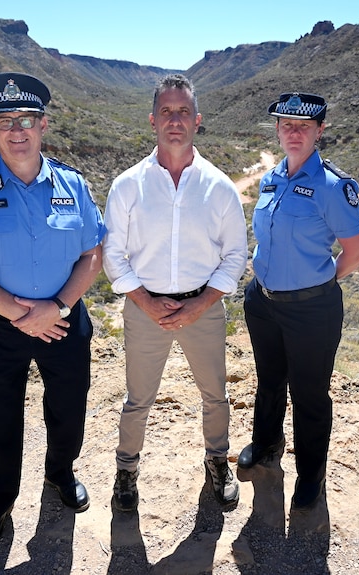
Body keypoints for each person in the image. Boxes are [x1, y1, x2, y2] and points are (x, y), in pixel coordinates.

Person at [0, 72, 106, 549]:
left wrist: (56, 307)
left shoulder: (73, 184)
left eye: (26, 119)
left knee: (69, 407)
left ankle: (60, 473)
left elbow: (92, 255)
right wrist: (20, 314)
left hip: (64, 318)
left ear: (43, 124)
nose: (17, 129)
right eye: (4, 119)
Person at [102, 74, 248, 512]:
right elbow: (113, 253)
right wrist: (145, 302)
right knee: (138, 399)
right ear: (152, 120)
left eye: (183, 111)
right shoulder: (128, 185)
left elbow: (236, 255)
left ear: (197, 120)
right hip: (143, 307)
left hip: (204, 307)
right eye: (166, 111)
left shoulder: (219, 186)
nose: (175, 120)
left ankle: (217, 464)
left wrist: (200, 304)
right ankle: (126, 471)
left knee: (215, 394)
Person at [237, 92, 359, 510]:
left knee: (310, 395)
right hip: (264, 302)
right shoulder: (272, 177)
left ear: (319, 131)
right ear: (277, 129)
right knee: (269, 382)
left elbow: (357, 250)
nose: (294, 133)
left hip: (312, 309)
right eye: (287, 125)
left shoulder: (333, 186)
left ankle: (311, 475)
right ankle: (266, 443)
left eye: (304, 127)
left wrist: (321, 281)